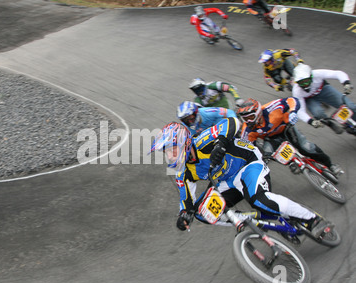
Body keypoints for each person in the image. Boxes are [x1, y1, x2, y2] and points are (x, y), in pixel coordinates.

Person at [149, 118, 333, 237]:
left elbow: (231, 122)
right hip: (227, 182)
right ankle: (252, 220)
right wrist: (184, 215)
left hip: (248, 163)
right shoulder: (183, 173)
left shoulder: (202, 141)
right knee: (202, 213)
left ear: (183, 143)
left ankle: (313, 219)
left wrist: (222, 142)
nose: (170, 157)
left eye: (171, 150)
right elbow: (186, 199)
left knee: (260, 199)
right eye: (167, 153)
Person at [237, 97, 342, 175]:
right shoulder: (247, 130)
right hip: (271, 138)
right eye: (245, 119)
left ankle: (330, 165)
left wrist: (293, 112)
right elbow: (249, 148)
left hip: (286, 128)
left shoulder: (271, 108)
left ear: (258, 112)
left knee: (306, 148)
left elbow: (291, 100)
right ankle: (291, 163)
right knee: (268, 153)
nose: (248, 121)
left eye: (250, 117)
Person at [292, 63, 356, 133]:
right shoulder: (296, 91)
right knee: (318, 114)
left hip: (323, 89)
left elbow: (338, 73)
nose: (304, 85)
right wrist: (311, 121)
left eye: (306, 81)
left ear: (311, 76)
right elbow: (300, 111)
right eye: (301, 82)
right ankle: (330, 123)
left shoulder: (317, 73)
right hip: (310, 99)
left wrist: (346, 83)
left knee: (351, 106)